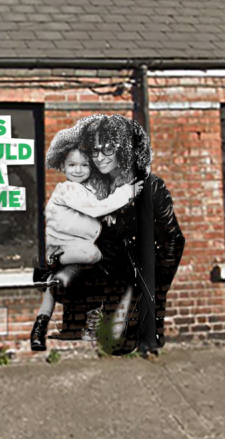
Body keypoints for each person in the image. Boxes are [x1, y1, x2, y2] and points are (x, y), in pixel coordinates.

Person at [79, 114, 187, 352]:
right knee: (111, 341)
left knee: (124, 340)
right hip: (106, 282)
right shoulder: (94, 189)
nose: (99, 157)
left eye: (107, 149)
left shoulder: (151, 187)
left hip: (140, 281)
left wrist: (156, 283)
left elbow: (173, 239)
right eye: (94, 150)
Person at [29, 128, 143, 352]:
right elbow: (95, 208)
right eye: (72, 165)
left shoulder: (83, 192)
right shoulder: (67, 189)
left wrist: (106, 217)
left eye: (84, 165)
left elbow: (92, 213)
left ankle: (41, 329)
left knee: (63, 284)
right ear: (63, 168)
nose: (78, 170)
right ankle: (88, 313)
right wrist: (128, 192)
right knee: (96, 257)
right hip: (62, 247)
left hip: (71, 250)